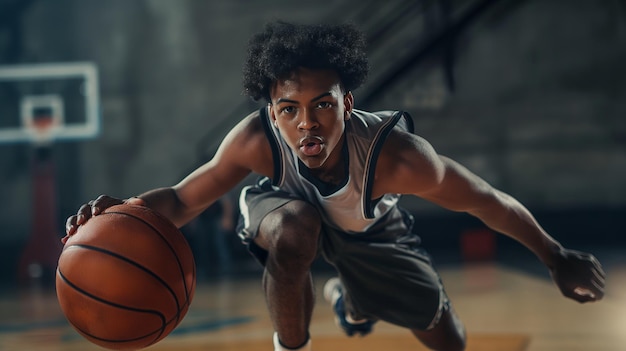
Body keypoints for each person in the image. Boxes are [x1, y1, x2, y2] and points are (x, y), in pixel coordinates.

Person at [63, 21, 605, 351]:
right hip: (286, 215)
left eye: (323, 105)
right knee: (297, 228)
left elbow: (485, 201)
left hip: (372, 231)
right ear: (272, 115)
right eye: (289, 110)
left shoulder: (398, 157)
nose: (307, 124)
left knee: (449, 340)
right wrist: (127, 211)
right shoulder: (256, 140)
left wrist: (555, 257)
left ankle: (353, 299)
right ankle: (292, 345)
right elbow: (183, 199)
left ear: (347, 103)